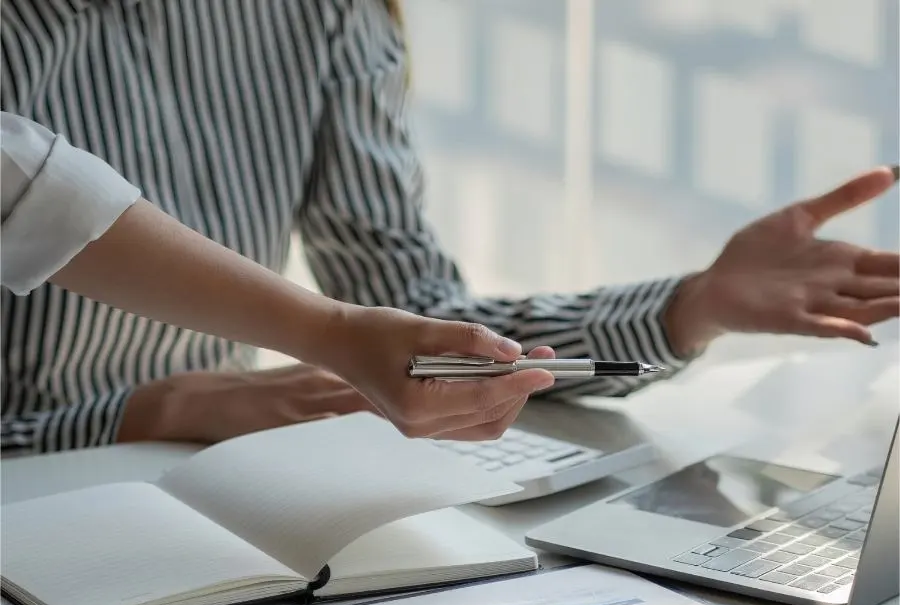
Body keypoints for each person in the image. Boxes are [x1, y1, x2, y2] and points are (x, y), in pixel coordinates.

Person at [1, 0, 897, 454]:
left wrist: (689, 308)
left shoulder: (319, 14)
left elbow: (416, 316)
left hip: (204, 496)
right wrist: (132, 415)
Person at [1, 113, 556, 443]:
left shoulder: (326, 15)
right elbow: (35, 193)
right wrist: (155, 411)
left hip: (233, 455)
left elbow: (411, 316)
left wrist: (638, 321)